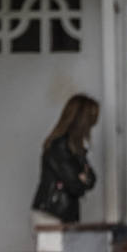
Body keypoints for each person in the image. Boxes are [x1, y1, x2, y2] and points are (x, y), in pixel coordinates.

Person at [30, 94, 99, 225]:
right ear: (82, 121)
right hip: (50, 214)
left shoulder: (75, 148)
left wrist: (83, 178)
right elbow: (75, 185)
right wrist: (82, 179)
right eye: (90, 122)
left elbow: (91, 179)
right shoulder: (59, 147)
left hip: (62, 214)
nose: (90, 128)